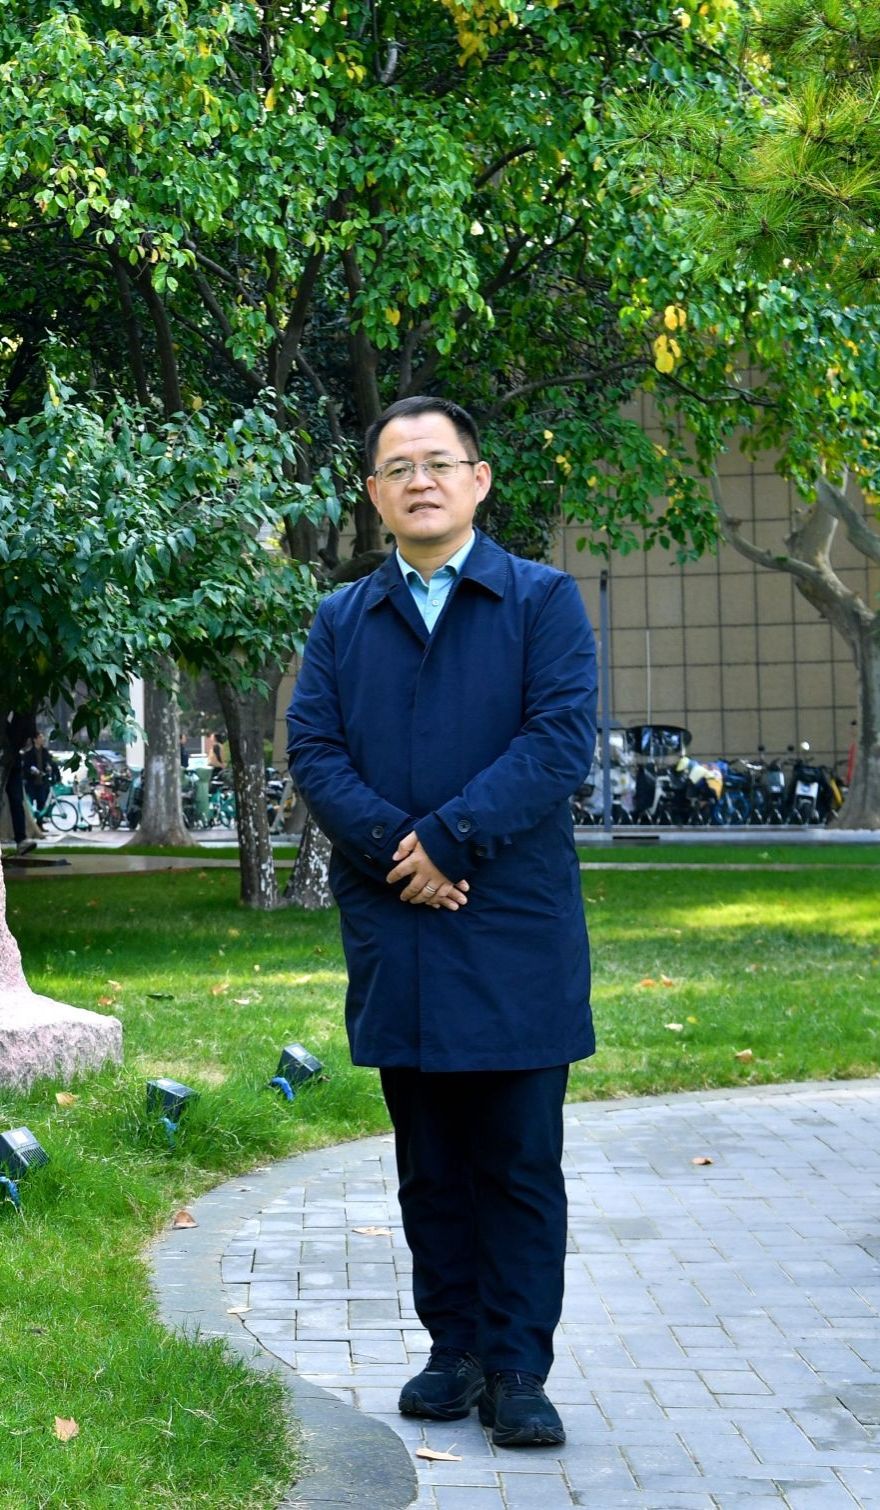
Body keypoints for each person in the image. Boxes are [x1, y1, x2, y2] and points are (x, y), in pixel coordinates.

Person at [287, 396, 597, 1448]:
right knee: (429, 1162)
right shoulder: (344, 619)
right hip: (400, 924)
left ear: (478, 479)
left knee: (517, 1159)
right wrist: (400, 851)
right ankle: (452, 1349)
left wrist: (453, 840)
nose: (419, 481)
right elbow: (314, 750)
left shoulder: (541, 600)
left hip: (510, 922)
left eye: (438, 462)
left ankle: (517, 1368)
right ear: (374, 495)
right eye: (397, 468)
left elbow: (557, 740)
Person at [2, 711, 38, 856]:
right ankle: (21, 839)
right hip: (8, 757)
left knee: (17, 800)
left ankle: (21, 839)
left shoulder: (22, 712)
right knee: (14, 800)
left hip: (13, 759)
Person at [23, 733, 60, 827]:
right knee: (30, 804)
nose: (42, 739)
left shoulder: (45, 752)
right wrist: (31, 771)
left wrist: (50, 769)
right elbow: (25, 767)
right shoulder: (29, 753)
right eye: (40, 737)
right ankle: (30, 825)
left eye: (43, 737)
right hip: (31, 782)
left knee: (41, 803)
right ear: (35, 740)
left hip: (42, 781)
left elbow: (51, 763)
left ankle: (40, 825)